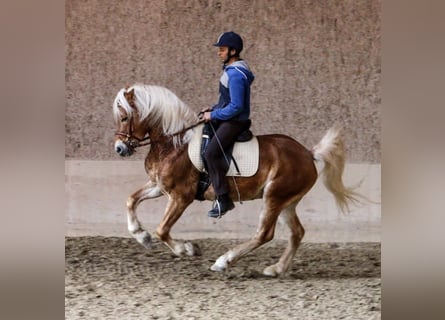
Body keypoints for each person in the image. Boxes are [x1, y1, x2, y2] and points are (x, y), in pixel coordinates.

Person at [200, 31, 255, 218]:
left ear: (233, 51)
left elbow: (236, 106)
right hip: (228, 118)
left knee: (211, 153)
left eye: (222, 49)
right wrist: (213, 108)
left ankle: (223, 198)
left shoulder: (237, 75)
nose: (219, 53)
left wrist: (214, 114)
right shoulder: (231, 71)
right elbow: (227, 101)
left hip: (234, 122)